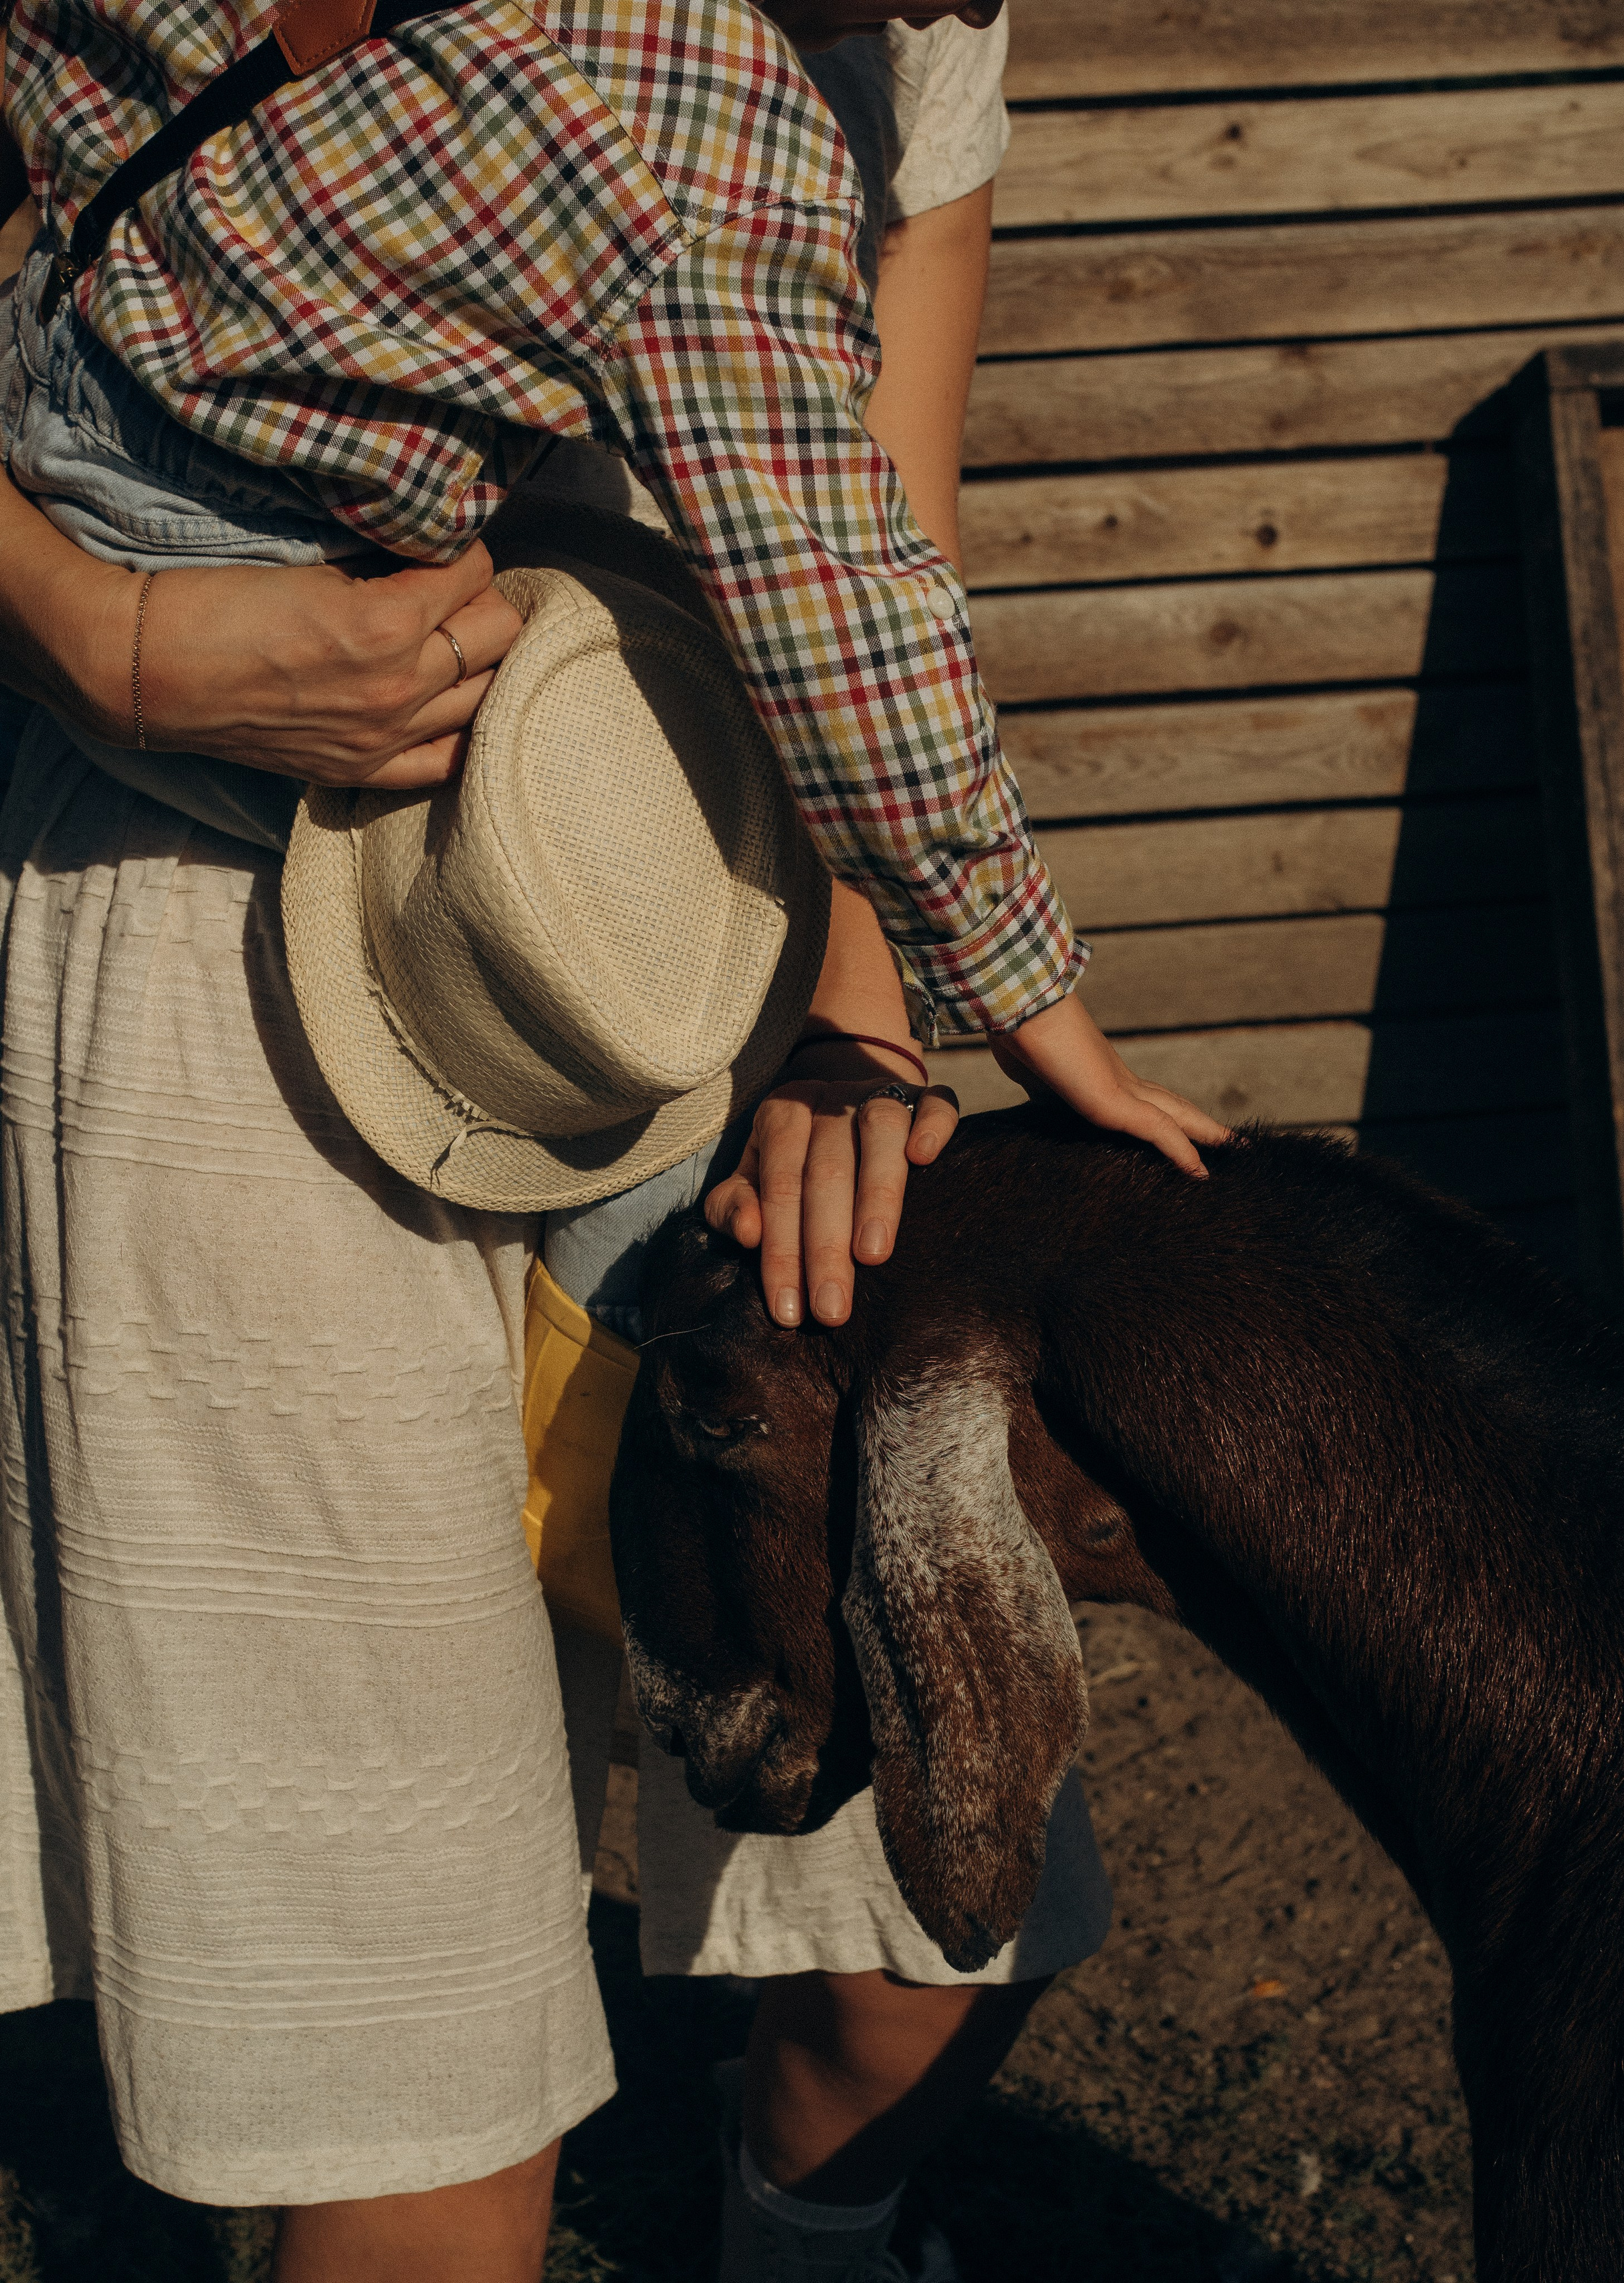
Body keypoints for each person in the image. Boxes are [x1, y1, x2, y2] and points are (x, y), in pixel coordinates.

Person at [0, 5, 1225, 2280]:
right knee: (413, 2069)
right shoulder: (700, 118)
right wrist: (98, 630)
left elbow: (875, 560)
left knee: (922, 1914)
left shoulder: (884, 44)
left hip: (679, 921)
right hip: (199, 910)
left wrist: (870, 1023)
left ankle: (807, 2233)